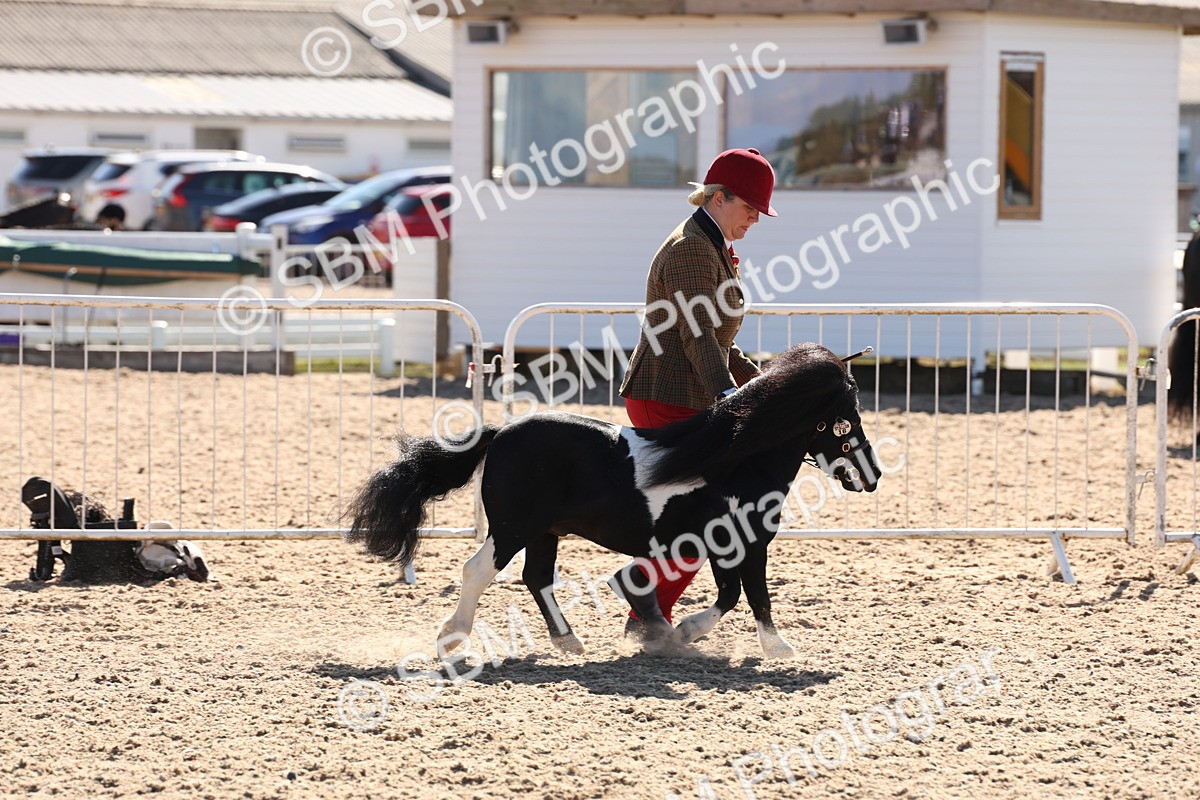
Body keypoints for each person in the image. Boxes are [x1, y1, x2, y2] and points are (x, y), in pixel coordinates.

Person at [617, 147, 778, 637]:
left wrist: (761, 383)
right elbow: (697, 335)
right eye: (749, 207)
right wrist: (728, 394)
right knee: (705, 512)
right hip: (666, 392)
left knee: (702, 511)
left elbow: (719, 341)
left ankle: (645, 612)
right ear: (719, 197)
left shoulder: (712, 244)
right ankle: (644, 605)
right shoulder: (691, 248)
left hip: (685, 391)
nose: (755, 218)